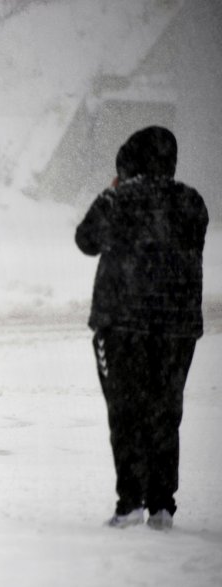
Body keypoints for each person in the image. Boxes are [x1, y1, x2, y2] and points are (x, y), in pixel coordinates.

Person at [75, 126, 208, 531]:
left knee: (126, 412)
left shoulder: (118, 200)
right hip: (177, 328)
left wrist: (114, 190)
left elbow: (85, 240)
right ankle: (162, 506)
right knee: (164, 413)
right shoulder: (192, 203)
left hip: (122, 324)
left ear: (127, 164)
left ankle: (129, 502)